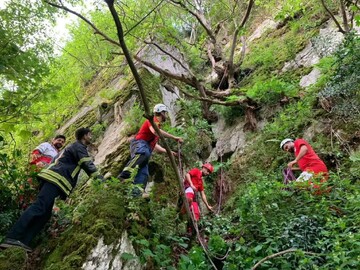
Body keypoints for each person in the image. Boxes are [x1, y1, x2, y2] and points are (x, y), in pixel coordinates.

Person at [0, 127, 103, 252]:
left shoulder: (69, 148)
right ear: (84, 136)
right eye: (90, 134)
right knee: (39, 207)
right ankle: (12, 237)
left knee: (45, 214)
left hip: (52, 179)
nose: (91, 137)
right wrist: (101, 181)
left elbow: (54, 161)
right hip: (55, 179)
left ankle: (23, 242)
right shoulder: (79, 147)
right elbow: (88, 165)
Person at [118, 103, 183, 196]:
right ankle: (124, 175)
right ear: (162, 113)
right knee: (144, 153)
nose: (166, 115)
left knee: (144, 173)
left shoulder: (157, 128)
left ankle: (135, 195)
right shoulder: (152, 120)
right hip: (139, 144)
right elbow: (154, 131)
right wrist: (174, 137)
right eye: (165, 113)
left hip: (146, 147)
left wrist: (169, 152)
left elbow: (156, 147)